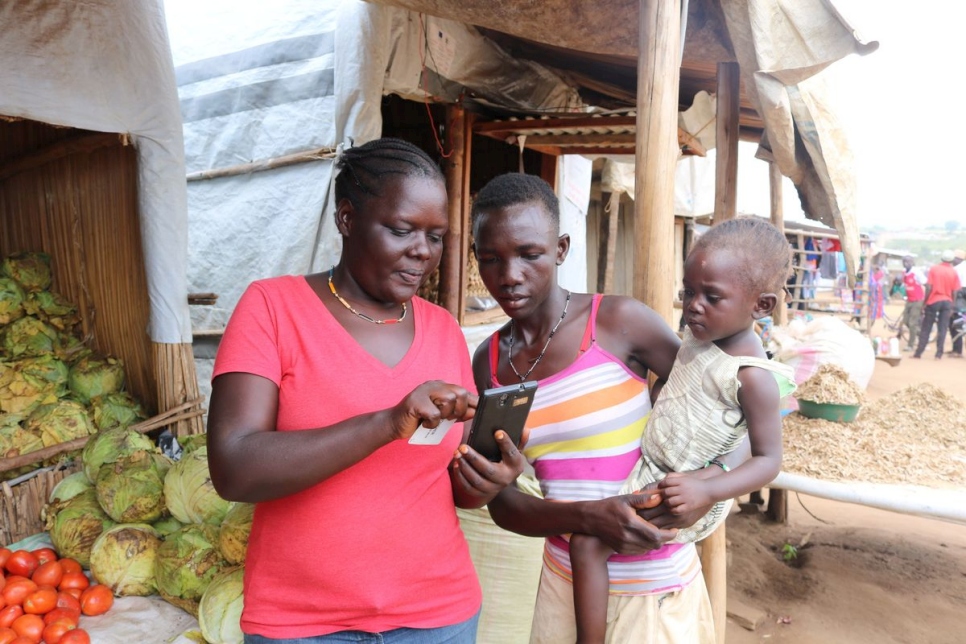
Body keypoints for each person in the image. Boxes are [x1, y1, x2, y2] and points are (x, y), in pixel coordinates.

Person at [206, 138, 526, 643]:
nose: (423, 250)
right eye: (402, 230)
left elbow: (449, 482)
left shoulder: (443, 328)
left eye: (436, 236)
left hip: (437, 617)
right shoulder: (272, 308)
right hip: (302, 625)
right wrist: (387, 423)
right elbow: (234, 468)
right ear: (347, 218)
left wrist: (487, 478)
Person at [470, 173, 744, 644]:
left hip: (656, 597)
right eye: (491, 259)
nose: (509, 275)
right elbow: (505, 505)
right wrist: (586, 517)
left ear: (560, 249)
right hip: (564, 590)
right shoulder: (490, 363)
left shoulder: (617, 322)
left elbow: (730, 415)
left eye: (529, 254)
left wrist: (707, 484)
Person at [568, 218, 796, 643]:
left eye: (712, 297)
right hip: (663, 470)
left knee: (586, 542)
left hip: (683, 492)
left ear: (761, 306)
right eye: (688, 292)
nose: (694, 305)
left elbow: (769, 460)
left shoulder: (752, 377)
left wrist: (708, 490)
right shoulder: (698, 340)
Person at [912, 250, 962, 360]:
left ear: (942, 258)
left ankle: (919, 352)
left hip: (934, 300)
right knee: (942, 328)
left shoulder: (934, 269)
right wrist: (952, 306)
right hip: (947, 302)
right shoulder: (953, 272)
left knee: (926, 327)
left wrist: (924, 303)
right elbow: (955, 291)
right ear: (952, 260)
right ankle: (938, 354)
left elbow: (929, 287)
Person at [899, 255, 926, 352]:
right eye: (904, 261)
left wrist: (924, 300)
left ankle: (910, 345)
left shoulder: (916, 272)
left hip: (917, 300)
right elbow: (904, 285)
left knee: (912, 323)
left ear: (912, 262)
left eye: (908, 261)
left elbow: (925, 283)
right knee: (906, 321)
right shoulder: (904, 272)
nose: (906, 263)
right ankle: (923, 337)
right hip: (909, 300)